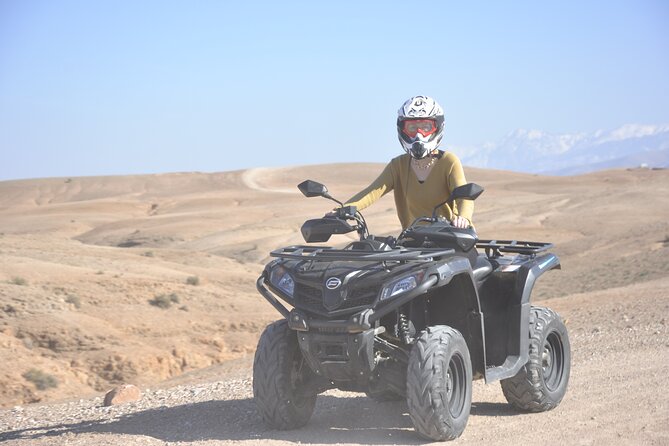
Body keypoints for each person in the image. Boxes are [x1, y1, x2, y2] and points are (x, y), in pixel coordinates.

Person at [341, 95, 473, 229]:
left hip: (450, 240)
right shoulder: (398, 166)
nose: (418, 134)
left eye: (426, 127)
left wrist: (464, 218)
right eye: (412, 128)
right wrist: (342, 210)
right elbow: (371, 193)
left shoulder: (449, 162)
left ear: (438, 127)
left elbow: (464, 197)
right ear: (402, 129)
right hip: (412, 241)